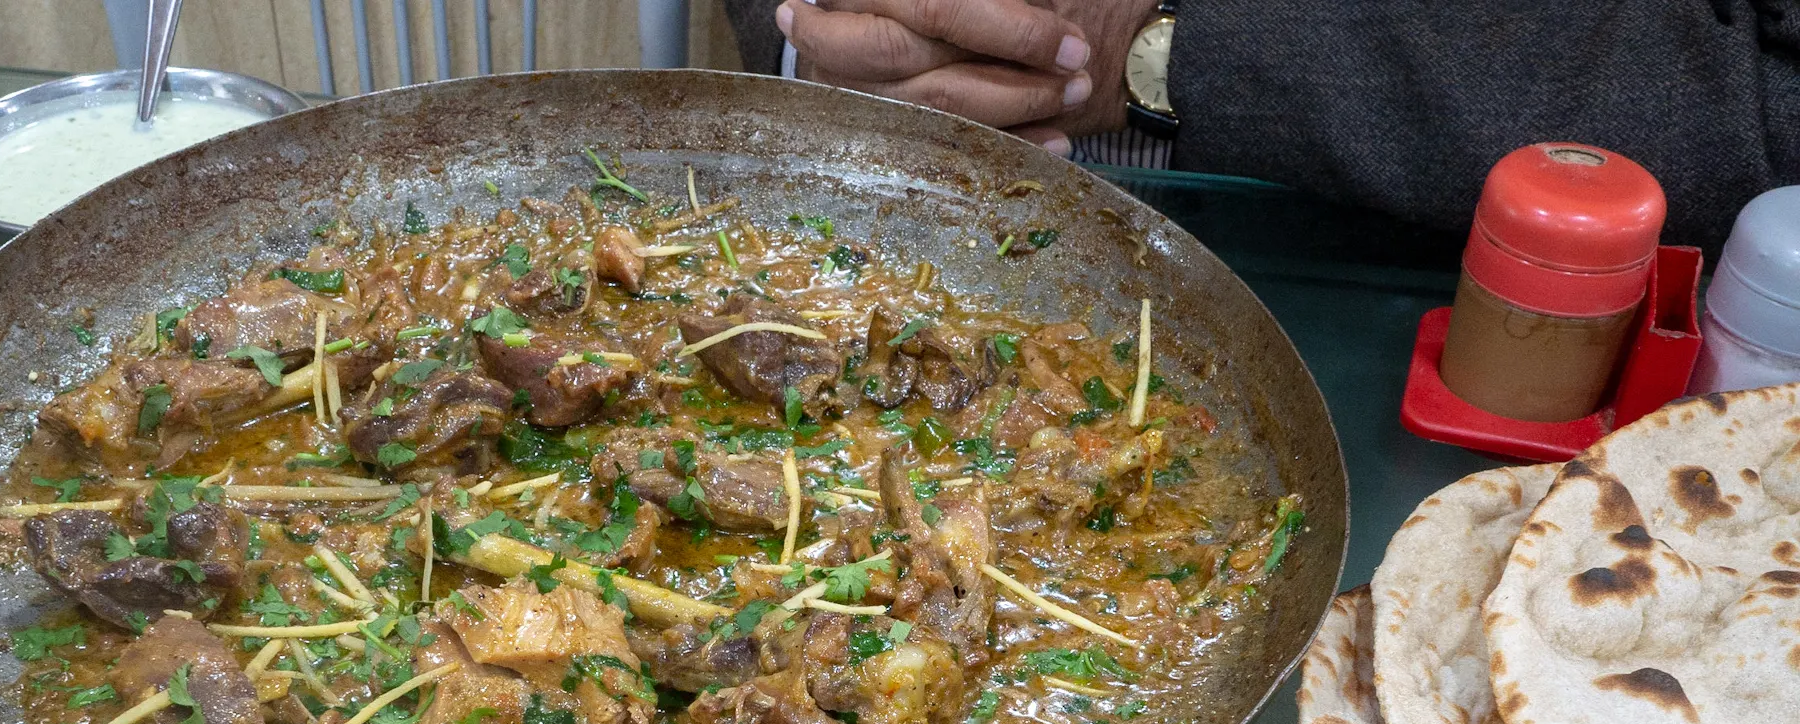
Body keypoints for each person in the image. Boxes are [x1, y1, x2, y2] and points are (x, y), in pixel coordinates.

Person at [720, 0, 1800, 249]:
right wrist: (836, 25)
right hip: (872, 179)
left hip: (1433, 287)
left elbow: (1766, 94)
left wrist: (1166, 53)